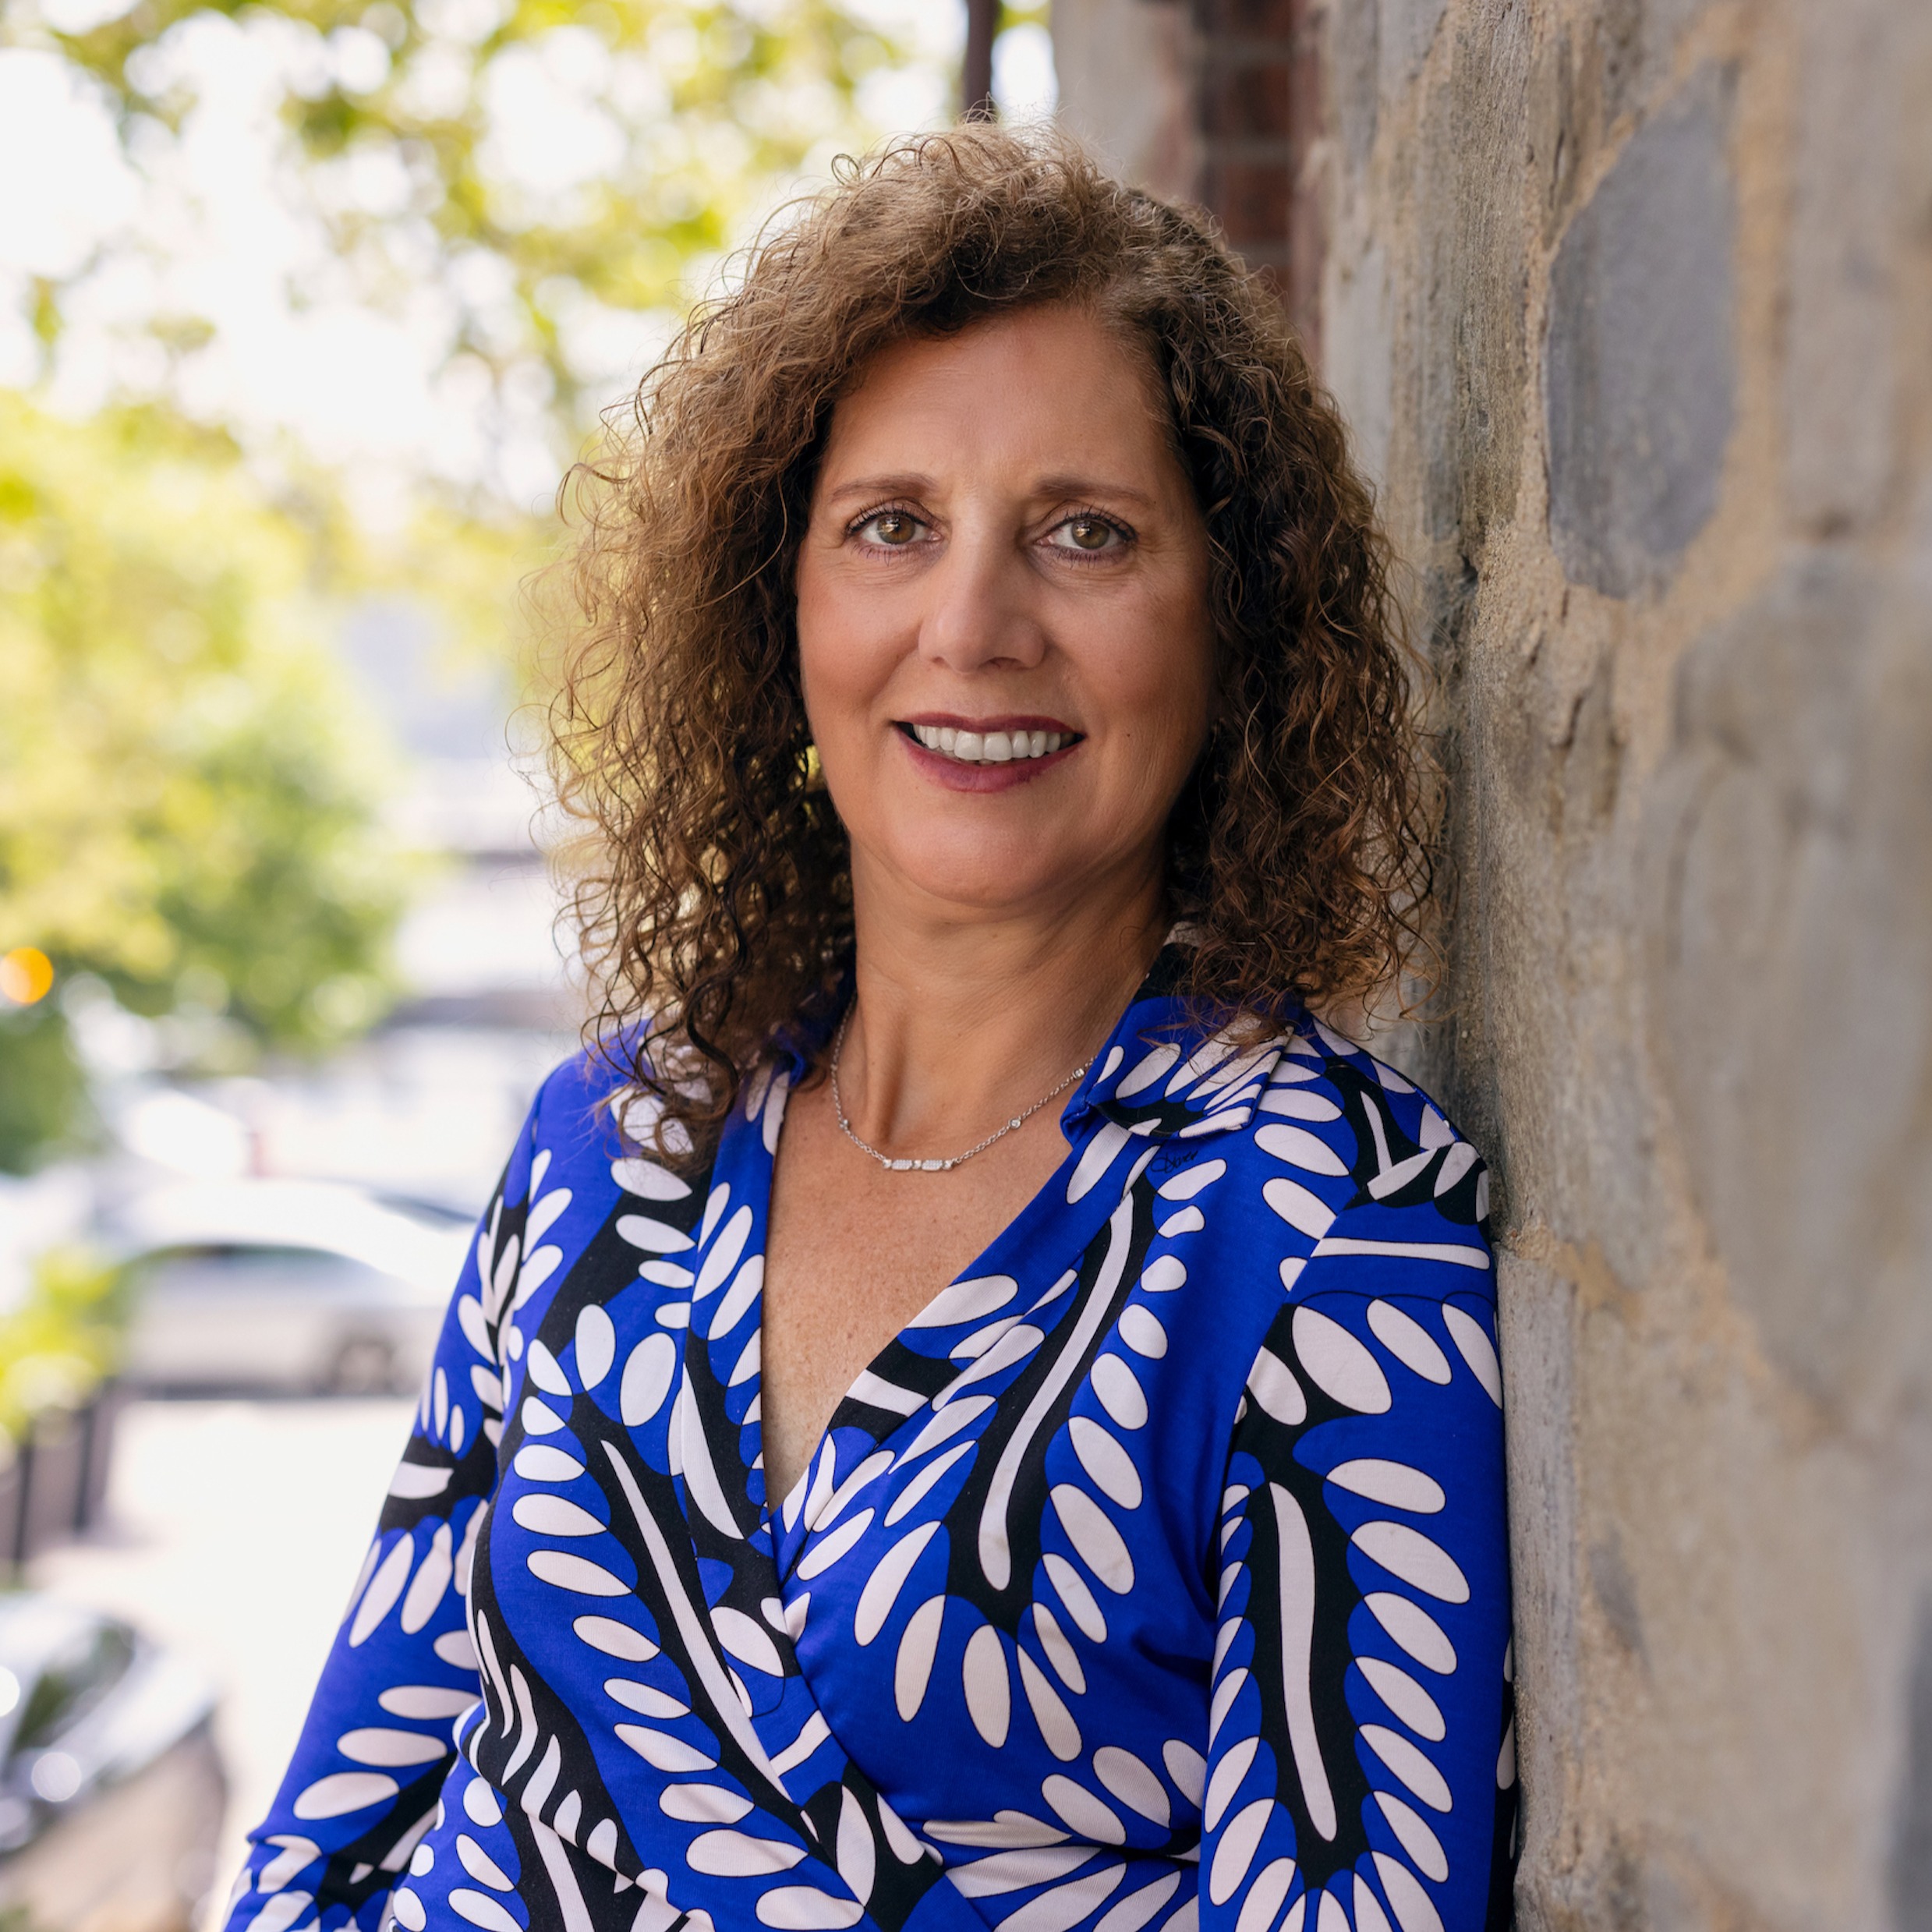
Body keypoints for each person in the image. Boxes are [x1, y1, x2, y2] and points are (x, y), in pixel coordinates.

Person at [225, 128, 1514, 1932]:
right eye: (892, 526)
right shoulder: (616, 1133)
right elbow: (341, 1820)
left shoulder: (1326, 1227)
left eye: (1086, 533)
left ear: (1232, 625)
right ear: (790, 610)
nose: (971, 628)